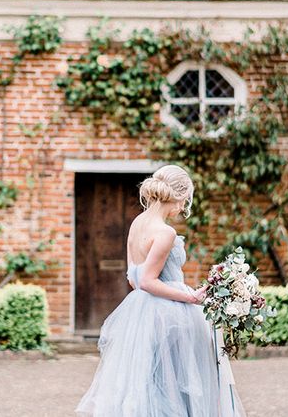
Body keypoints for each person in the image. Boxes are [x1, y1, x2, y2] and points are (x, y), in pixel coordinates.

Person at [75, 164, 246, 417]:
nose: (184, 207)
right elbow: (147, 280)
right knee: (177, 383)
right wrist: (191, 296)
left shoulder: (137, 223)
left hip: (141, 313)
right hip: (170, 315)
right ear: (179, 197)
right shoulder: (165, 232)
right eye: (186, 200)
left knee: (146, 382)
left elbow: (133, 279)